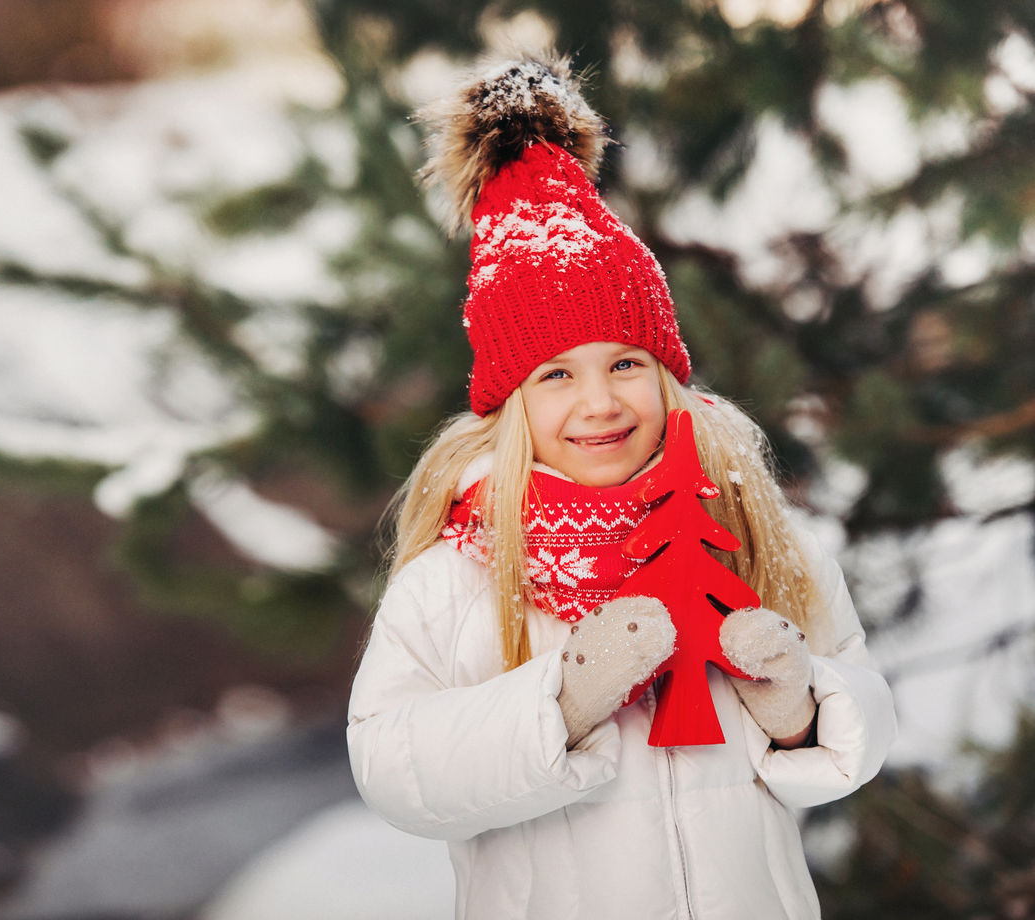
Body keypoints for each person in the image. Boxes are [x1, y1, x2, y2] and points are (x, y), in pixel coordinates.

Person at [346, 52, 896, 919]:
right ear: (509, 403)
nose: (600, 403)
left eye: (626, 363)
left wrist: (804, 705)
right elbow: (393, 768)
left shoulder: (755, 539)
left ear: (667, 372)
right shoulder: (455, 578)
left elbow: (860, 718)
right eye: (555, 376)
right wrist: (562, 700)